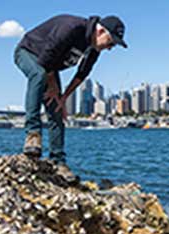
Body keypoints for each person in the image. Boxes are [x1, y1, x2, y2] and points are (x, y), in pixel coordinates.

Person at [14, 14, 127, 176]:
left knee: (56, 109)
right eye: (111, 43)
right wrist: (52, 86)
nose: (109, 48)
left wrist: (64, 98)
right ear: (101, 31)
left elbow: (82, 73)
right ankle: (33, 134)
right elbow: (47, 57)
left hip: (50, 67)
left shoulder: (94, 48)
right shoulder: (71, 27)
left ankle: (58, 162)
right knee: (38, 75)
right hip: (29, 53)